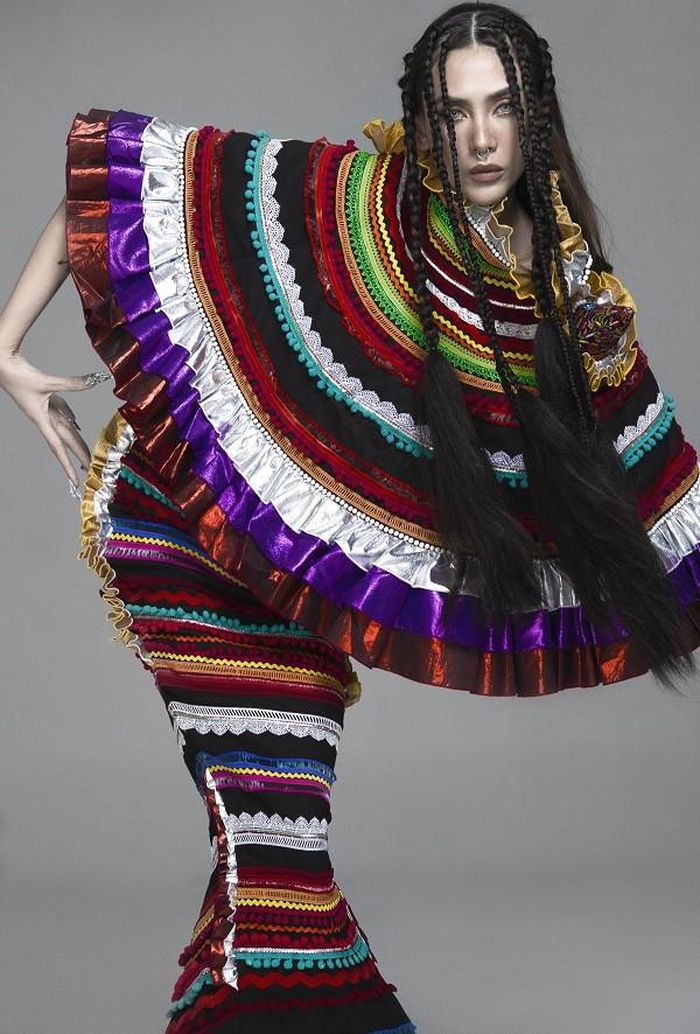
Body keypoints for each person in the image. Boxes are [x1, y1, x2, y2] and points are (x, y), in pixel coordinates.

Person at [2, 2, 699, 1030]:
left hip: (295, 575)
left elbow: (646, 468)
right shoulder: (358, 199)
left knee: (272, 839)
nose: (480, 137)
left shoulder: (569, 285)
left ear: (536, 118)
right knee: (273, 838)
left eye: (502, 108)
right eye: (454, 112)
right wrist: (5, 347)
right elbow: (119, 179)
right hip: (176, 527)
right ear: (425, 121)